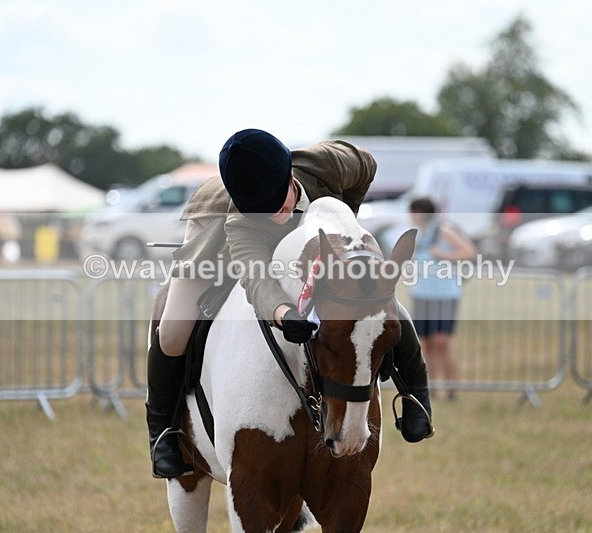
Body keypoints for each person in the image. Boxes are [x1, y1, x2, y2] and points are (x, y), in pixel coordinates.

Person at [147, 129, 433, 479]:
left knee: (378, 303)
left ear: (290, 176)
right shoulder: (242, 222)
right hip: (214, 245)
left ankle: (416, 394)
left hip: (311, 246)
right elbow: (257, 279)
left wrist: (347, 224)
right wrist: (283, 314)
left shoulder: (328, 164)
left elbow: (366, 164)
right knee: (173, 334)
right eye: (261, 210)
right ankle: (162, 431)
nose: (274, 214)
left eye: (277, 202)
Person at [408, 197, 476, 402]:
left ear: (420, 212)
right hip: (422, 294)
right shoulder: (421, 234)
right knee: (427, 344)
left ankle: (451, 390)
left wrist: (443, 256)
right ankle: (431, 390)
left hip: (445, 295)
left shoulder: (443, 230)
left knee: (442, 342)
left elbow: (469, 251)